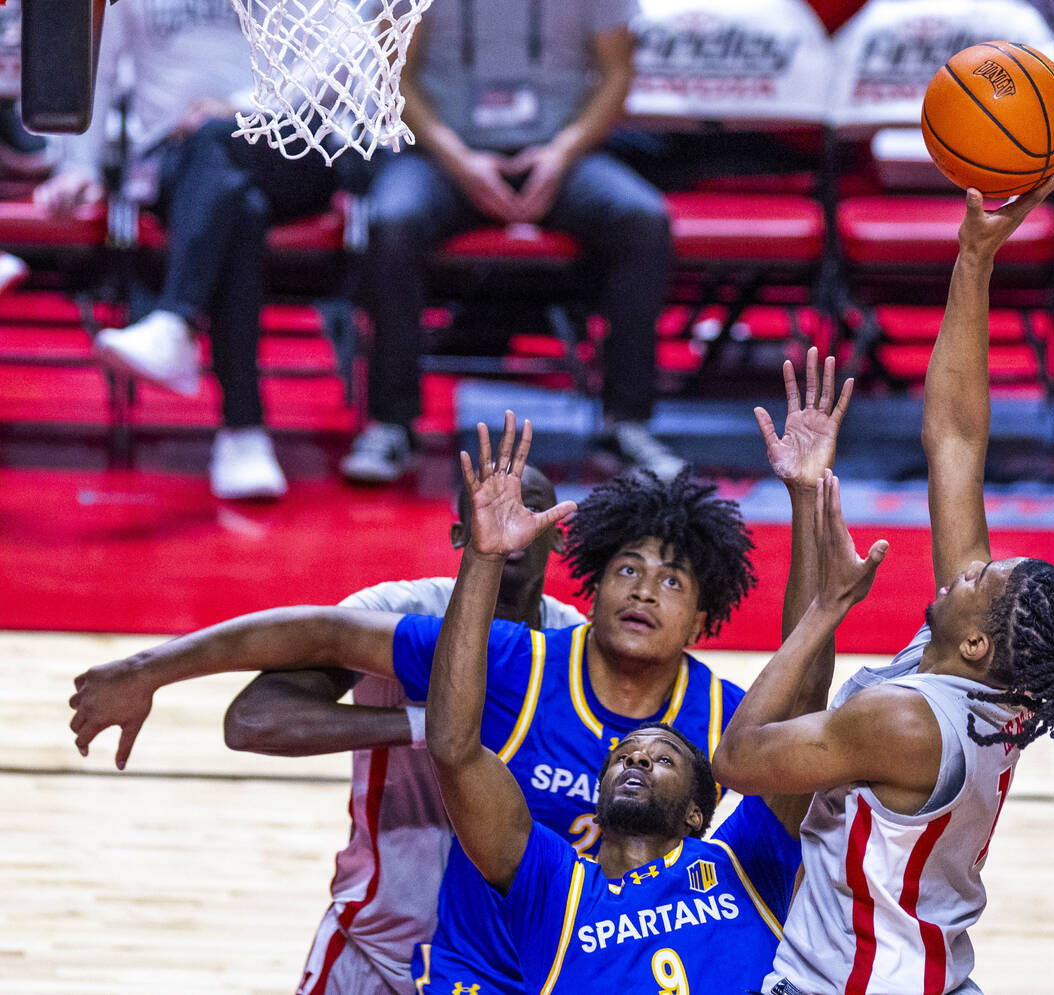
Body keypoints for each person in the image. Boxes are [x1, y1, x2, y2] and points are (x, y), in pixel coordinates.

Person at [69, 423, 759, 994]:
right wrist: (146, 667)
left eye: (669, 580)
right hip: (392, 931)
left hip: (551, 964)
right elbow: (277, 683)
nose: (643, 591)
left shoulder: (667, 689)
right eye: (630, 570)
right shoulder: (477, 641)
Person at [712, 165, 1054, 995]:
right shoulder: (994, 684)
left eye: (982, 577)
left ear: (980, 638)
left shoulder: (908, 720)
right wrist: (974, 259)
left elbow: (738, 758)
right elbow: (955, 439)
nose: (971, 564)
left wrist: (829, 610)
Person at [422, 414, 806, 993]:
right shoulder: (558, 884)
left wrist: (809, 503)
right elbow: (453, 749)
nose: (637, 760)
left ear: (700, 814)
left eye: (663, 758)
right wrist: (483, 559)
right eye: (624, 756)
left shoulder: (740, 861)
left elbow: (800, 720)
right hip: (486, 968)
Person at [222, 463, 585, 995]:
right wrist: (427, 724)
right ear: (464, 534)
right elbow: (252, 721)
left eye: (527, 509)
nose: (512, 524)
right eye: (496, 508)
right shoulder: (395, 612)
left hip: (508, 962)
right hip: (377, 942)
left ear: (556, 535)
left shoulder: (576, 646)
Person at [341, 0, 683, 483]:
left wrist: (562, 153)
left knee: (642, 218)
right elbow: (394, 74)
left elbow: (617, 72)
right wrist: (459, 160)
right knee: (392, 220)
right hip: (442, 156)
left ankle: (626, 423)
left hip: (559, 154)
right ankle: (392, 424)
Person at [35, 1, 347, 500]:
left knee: (215, 144)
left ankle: (179, 326)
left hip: (286, 145)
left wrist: (243, 106)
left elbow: (335, 54)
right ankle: (242, 434)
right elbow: (98, 68)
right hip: (174, 163)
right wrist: (81, 168)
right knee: (236, 205)